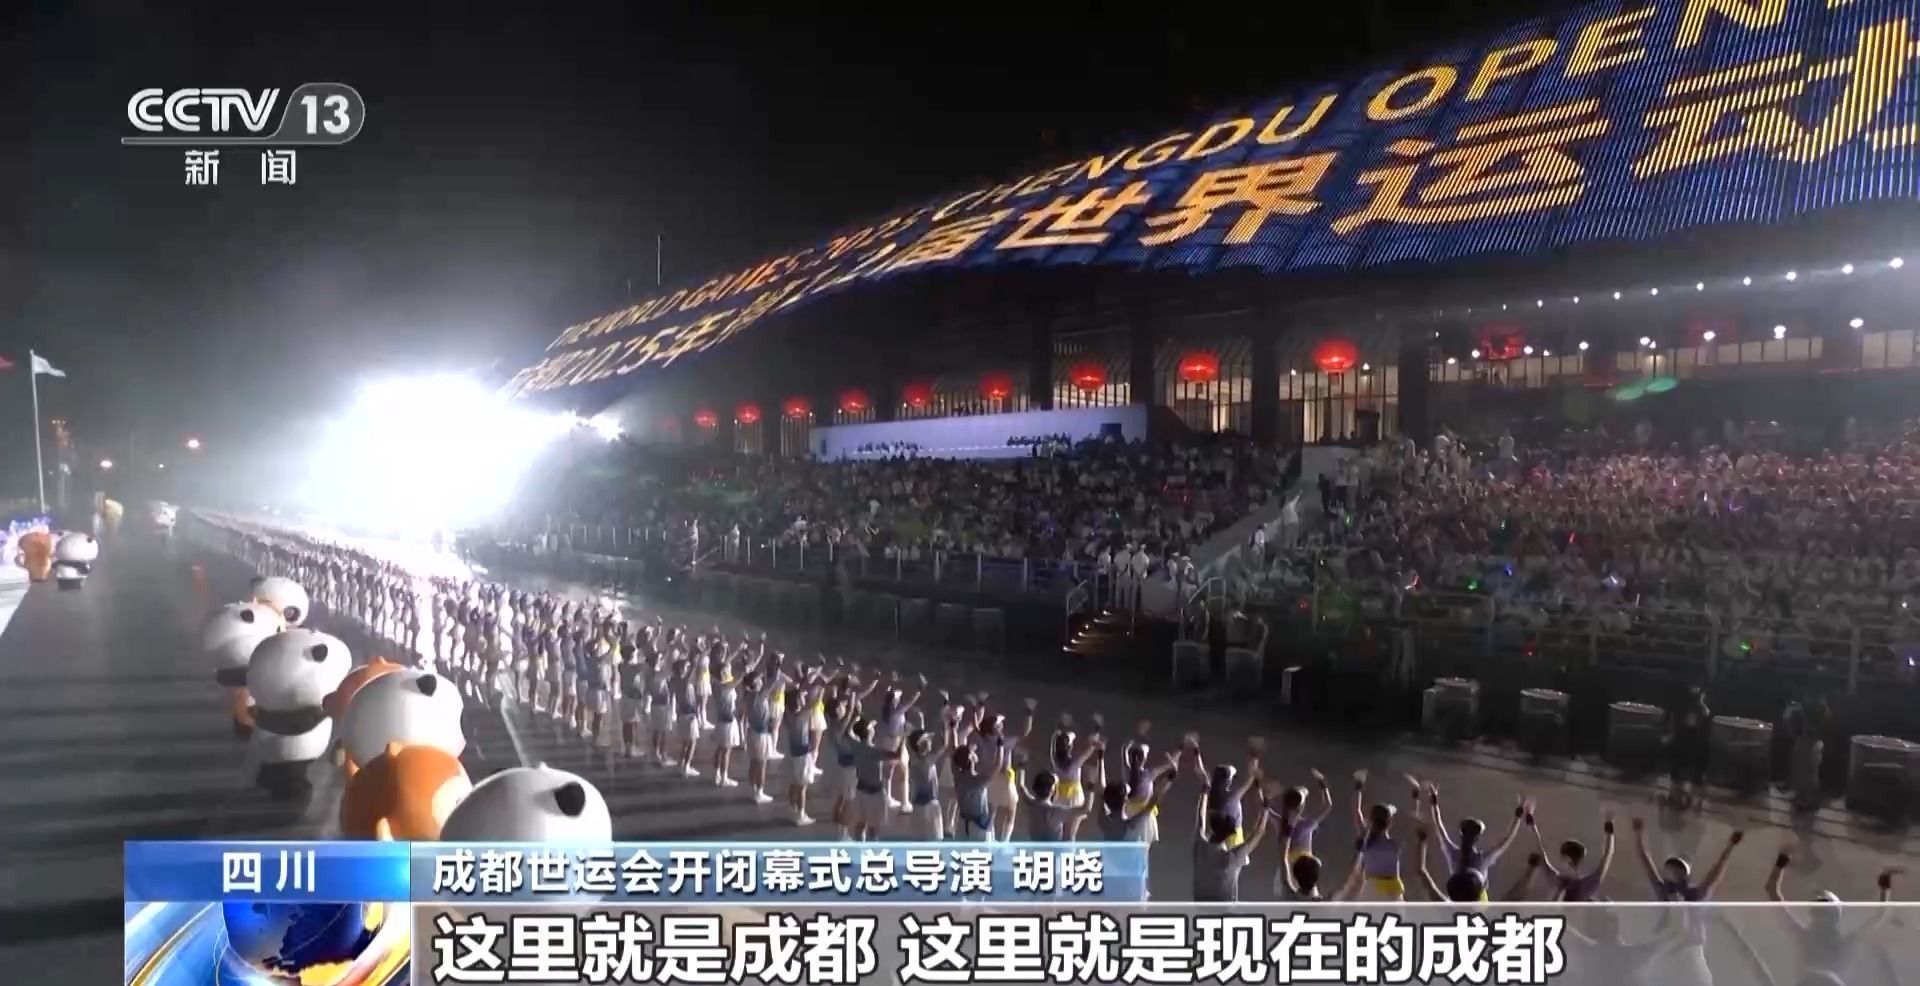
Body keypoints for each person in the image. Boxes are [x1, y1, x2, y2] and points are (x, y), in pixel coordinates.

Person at [1765, 846, 1898, 984]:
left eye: (1820, 911)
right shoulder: (1843, 943)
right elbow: (1880, 915)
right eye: (1820, 911)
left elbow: (1772, 891)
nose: (1821, 920)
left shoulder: (1803, 937)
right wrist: (1885, 883)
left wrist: (1781, 861)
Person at [1192, 780, 1270, 902]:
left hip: (1199, 909)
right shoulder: (1231, 858)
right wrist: (1265, 808)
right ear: (1229, 835)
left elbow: (1201, 820)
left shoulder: (1200, 847)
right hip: (1225, 911)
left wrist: (1204, 793)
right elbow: (1258, 833)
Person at [1528, 812, 1616, 901]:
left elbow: (1607, 857)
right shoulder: (1584, 885)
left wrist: (1532, 824)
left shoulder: (1579, 886)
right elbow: (1607, 855)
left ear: (1568, 860)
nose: (1559, 861)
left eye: (1561, 858)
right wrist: (1609, 826)